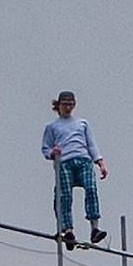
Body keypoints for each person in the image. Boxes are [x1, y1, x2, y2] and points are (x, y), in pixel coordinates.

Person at [41, 91, 108, 251]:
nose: (68, 108)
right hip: (64, 162)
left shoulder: (82, 123)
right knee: (64, 195)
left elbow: (91, 144)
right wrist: (52, 152)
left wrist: (100, 161)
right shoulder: (52, 127)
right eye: (65, 105)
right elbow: (45, 148)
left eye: (71, 104)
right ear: (59, 106)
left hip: (83, 160)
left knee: (91, 190)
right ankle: (68, 230)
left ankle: (94, 228)